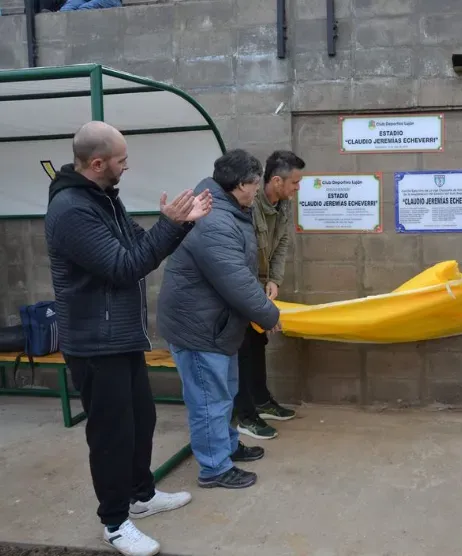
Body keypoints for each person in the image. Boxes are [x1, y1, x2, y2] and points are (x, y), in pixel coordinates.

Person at [44, 121, 211, 556]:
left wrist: (177, 225)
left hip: (120, 338)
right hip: (95, 343)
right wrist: (170, 226)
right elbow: (125, 266)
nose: (127, 166)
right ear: (97, 163)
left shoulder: (104, 200)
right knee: (112, 435)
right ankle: (115, 523)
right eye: (121, 160)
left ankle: (142, 496)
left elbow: (141, 245)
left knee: (141, 420)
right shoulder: (72, 211)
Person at [157, 149, 281, 491]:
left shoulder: (227, 208)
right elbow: (235, 279)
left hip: (215, 323)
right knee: (209, 401)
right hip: (198, 327)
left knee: (223, 392)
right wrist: (269, 314)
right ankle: (214, 468)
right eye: (255, 184)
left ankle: (225, 447)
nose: (257, 191)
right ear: (240, 185)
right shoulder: (213, 220)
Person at [234, 150, 305, 441]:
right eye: (295, 183)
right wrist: (256, 295)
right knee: (241, 349)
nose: (297, 189)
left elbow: (283, 243)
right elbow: (242, 256)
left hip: (261, 285)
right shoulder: (249, 207)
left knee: (257, 342)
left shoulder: (284, 206)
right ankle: (245, 415)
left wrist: (274, 279)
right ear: (276, 181)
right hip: (243, 287)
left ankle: (262, 401)